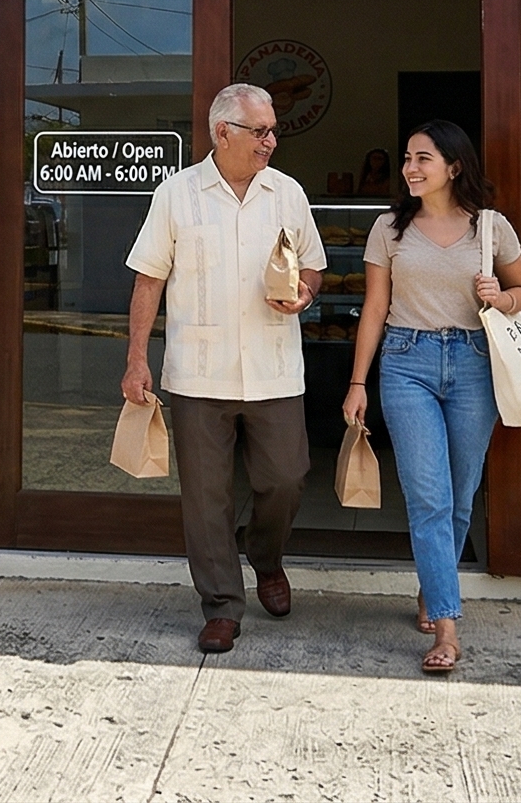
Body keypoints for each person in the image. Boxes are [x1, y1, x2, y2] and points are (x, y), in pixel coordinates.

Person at [122, 83, 325, 654]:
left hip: (275, 368)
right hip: (198, 371)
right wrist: (137, 357)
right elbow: (148, 279)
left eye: (272, 130)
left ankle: (266, 557)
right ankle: (221, 605)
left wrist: (304, 297)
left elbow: (313, 267)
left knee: (286, 477)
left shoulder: (287, 194)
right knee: (205, 497)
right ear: (222, 134)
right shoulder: (177, 194)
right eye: (259, 131)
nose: (271, 141)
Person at [341, 119, 521, 675]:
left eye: (422, 158)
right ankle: (447, 626)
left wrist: (503, 298)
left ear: (453, 167)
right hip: (406, 364)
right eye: (406, 158)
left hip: (474, 364)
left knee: (460, 492)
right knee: (429, 494)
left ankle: (433, 583)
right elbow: (374, 308)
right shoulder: (389, 229)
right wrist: (357, 382)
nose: (410, 167)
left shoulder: (491, 229)